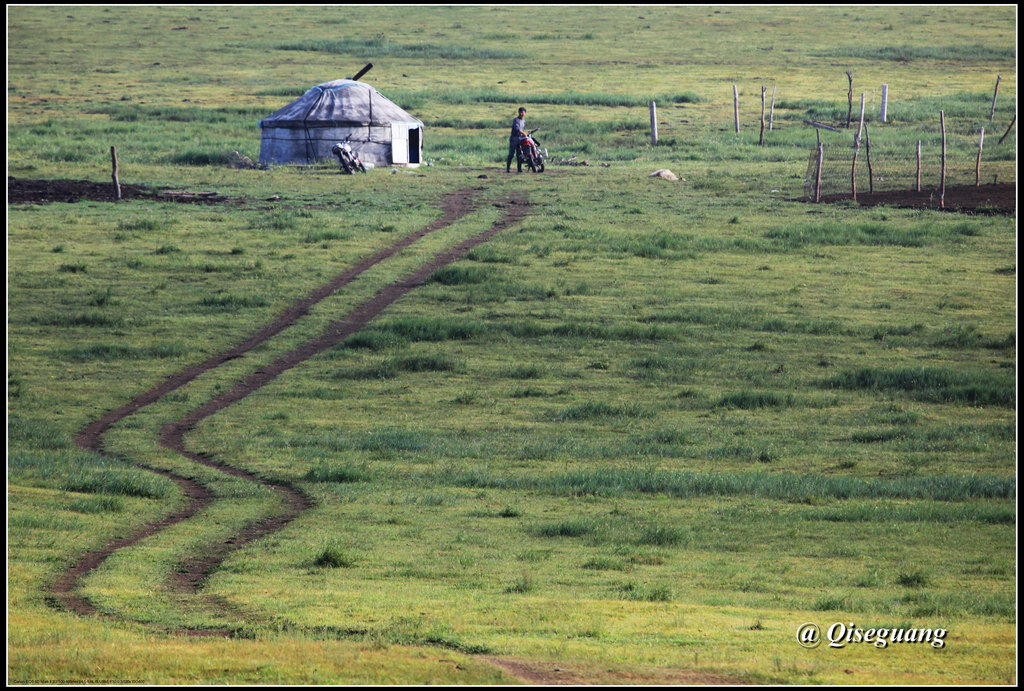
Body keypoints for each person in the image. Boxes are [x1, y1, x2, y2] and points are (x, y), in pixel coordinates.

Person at [506, 107, 527, 173]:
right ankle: (508, 169)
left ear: (525, 113)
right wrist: (524, 133)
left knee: (519, 154)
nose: (521, 113)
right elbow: (517, 129)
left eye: (522, 112)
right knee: (511, 154)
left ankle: (519, 169)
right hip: (514, 138)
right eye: (520, 112)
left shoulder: (524, 121)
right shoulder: (516, 120)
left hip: (520, 139)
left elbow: (523, 129)